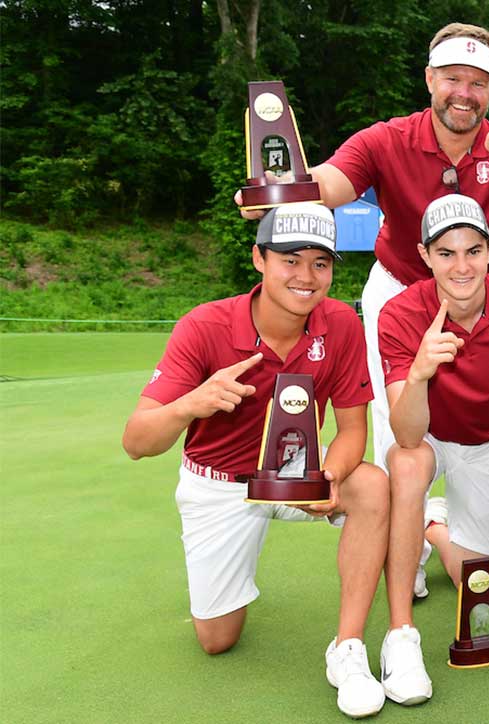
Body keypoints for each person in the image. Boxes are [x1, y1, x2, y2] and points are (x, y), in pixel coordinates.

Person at [233, 23, 489, 591]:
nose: (465, 92)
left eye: (479, 82)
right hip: (402, 288)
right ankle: (408, 549)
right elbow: (331, 180)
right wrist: (279, 191)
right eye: (454, 77)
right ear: (431, 80)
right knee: (395, 422)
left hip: (483, 290)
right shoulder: (387, 138)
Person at [122, 203, 392, 717]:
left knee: (372, 485)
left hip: (297, 477)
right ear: (258, 259)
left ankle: (348, 648)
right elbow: (136, 442)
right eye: (290, 259)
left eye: (320, 262)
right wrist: (191, 404)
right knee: (217, 639)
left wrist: (329, 476)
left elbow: (353, 429)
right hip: (218, 482)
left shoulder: (340, 323)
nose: (307, 276)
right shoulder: (204, 326)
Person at [377, 195, 489, 700]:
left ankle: (433, 528)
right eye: (446, 253)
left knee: (478, 582)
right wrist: (420, 371)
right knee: (408, 463)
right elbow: (406, 432)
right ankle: (401, 636)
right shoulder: (399, 313)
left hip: (483, 442)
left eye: (473, 250)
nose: (461, 265)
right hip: (425, 434)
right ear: (424, 255)